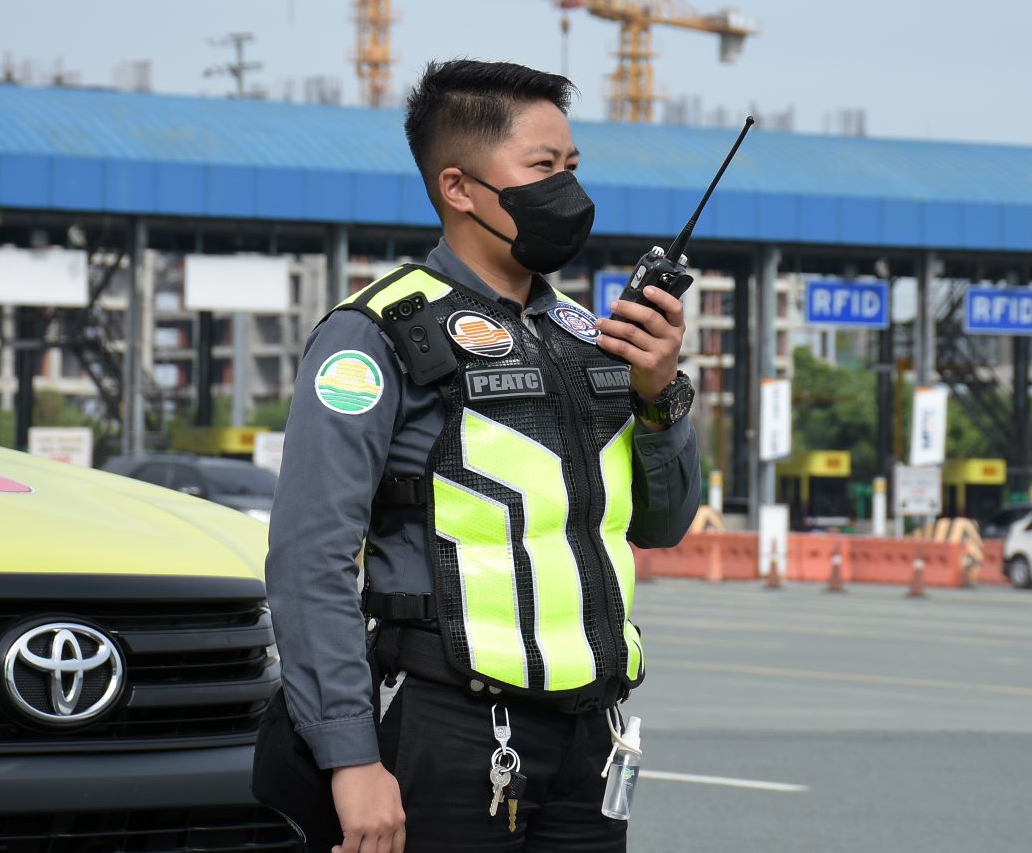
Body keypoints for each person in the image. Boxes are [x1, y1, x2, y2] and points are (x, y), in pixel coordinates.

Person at [257, 59, 700, 852]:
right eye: (541, 169)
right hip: (449, 732)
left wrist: (659, 397)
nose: (568, 192)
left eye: (571, 168)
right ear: (460, 188)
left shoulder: (592, 338)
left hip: (590, 740)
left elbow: (661, 525)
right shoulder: (375, 333)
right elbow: (309, 556)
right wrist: (350, 756)